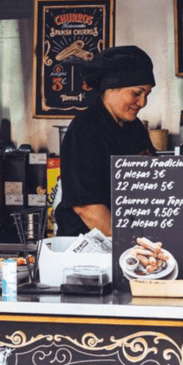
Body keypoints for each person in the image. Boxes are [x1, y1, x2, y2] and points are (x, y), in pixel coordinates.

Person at [55, 45, 157, 237]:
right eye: (137, 93)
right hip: (87, 244)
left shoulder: (134, 128)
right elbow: (86, 207)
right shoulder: (84, 129)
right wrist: (127, 244)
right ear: (111, 88)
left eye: (147, 95)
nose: (143, 103)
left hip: (127, 238)